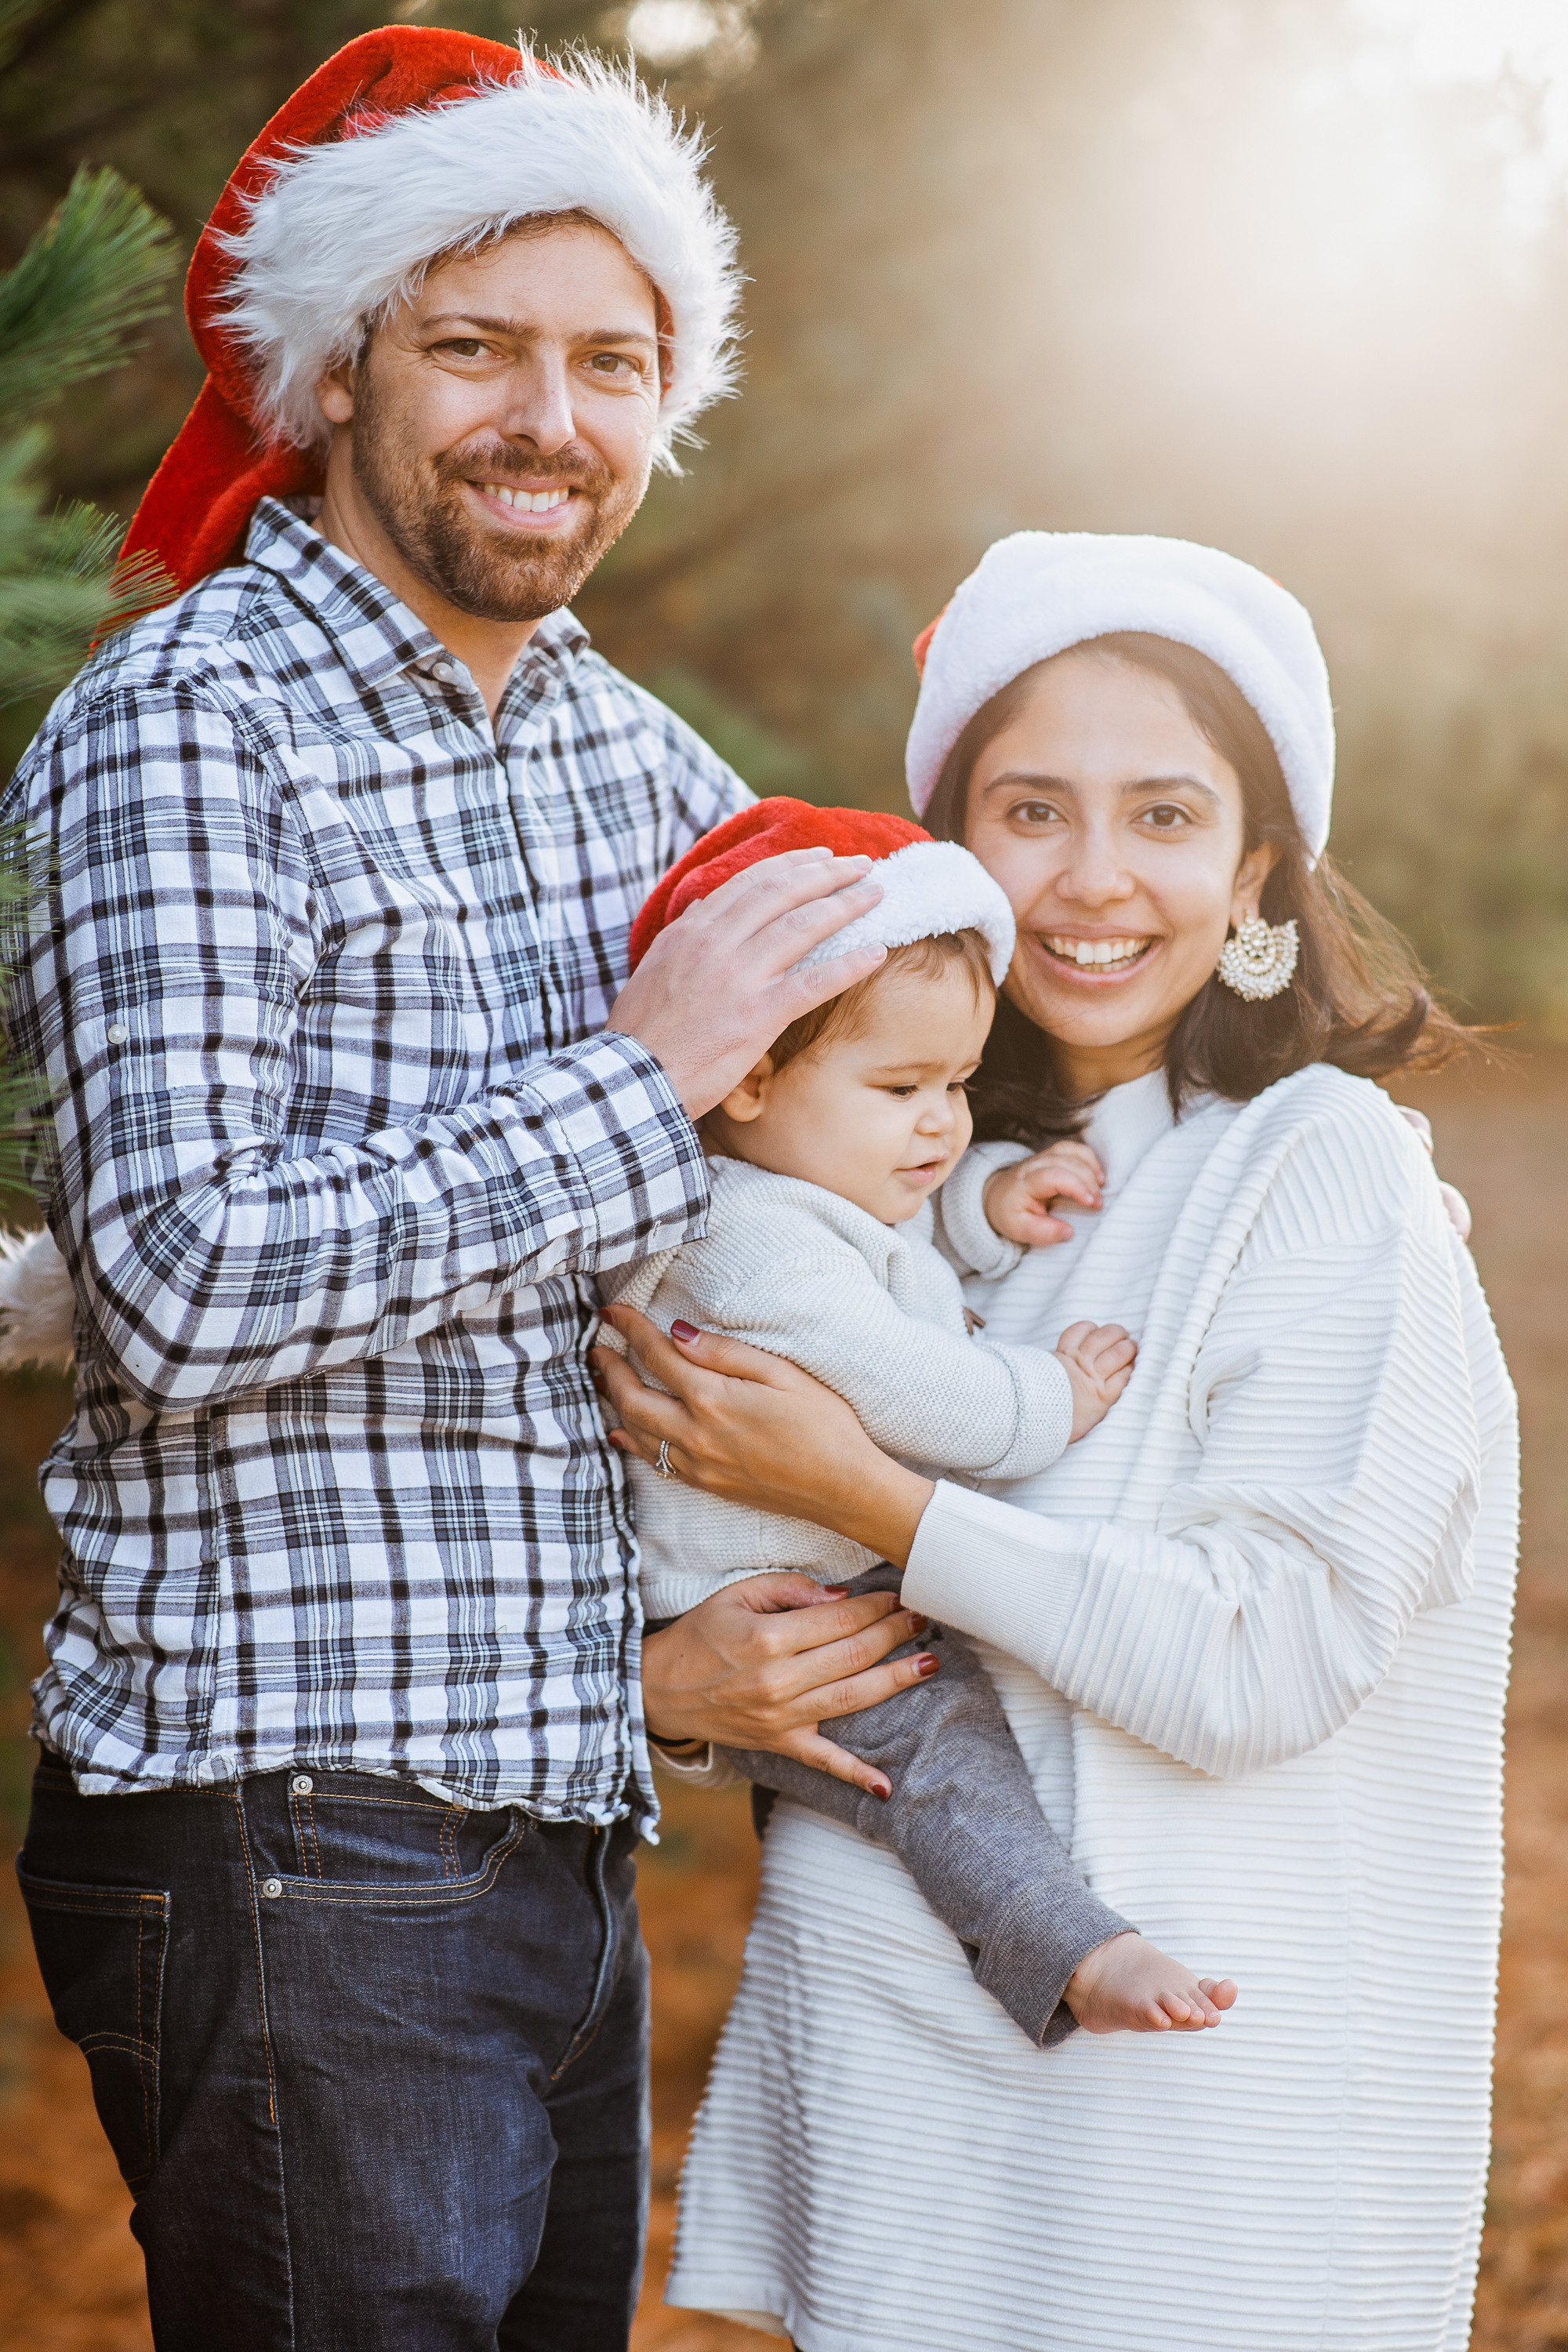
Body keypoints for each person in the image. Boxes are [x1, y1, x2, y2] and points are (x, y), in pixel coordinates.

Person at [2, 31, 936, 2349]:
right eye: (476, 347)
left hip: (560, 1813)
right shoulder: (189, 722)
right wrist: (639, 1080)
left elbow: (835, 1168)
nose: (552, 417)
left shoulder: (642, 769)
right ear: (336, 371)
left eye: (613, 362)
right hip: (282, 1826)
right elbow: (181, 1285)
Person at [595, 532, 1520, 2350]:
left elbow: (1263, 1657)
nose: (1093, 877)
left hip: (1185, 2158)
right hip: (902, 2114)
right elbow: (777, 1593)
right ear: (950, 851)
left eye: (1164, 814)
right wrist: (678, 1691)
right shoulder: (894, 1174)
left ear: (1254, 870)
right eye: (1031, 811)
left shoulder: (1319, 1165)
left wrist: (866, 1493)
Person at [602, 794, 1238, 2045]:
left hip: (805, 1574)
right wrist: (1053, 1396)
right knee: (941, 1756)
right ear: (748, 1077)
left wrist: (981, 1206)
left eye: (958, 1083)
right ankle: (1067, 1948)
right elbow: (914, 1384)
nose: (943, 1121)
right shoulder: (747, 1246)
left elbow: (882, 1241)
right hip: (785, 1612)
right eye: (903, 1086)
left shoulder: (779, 1195)